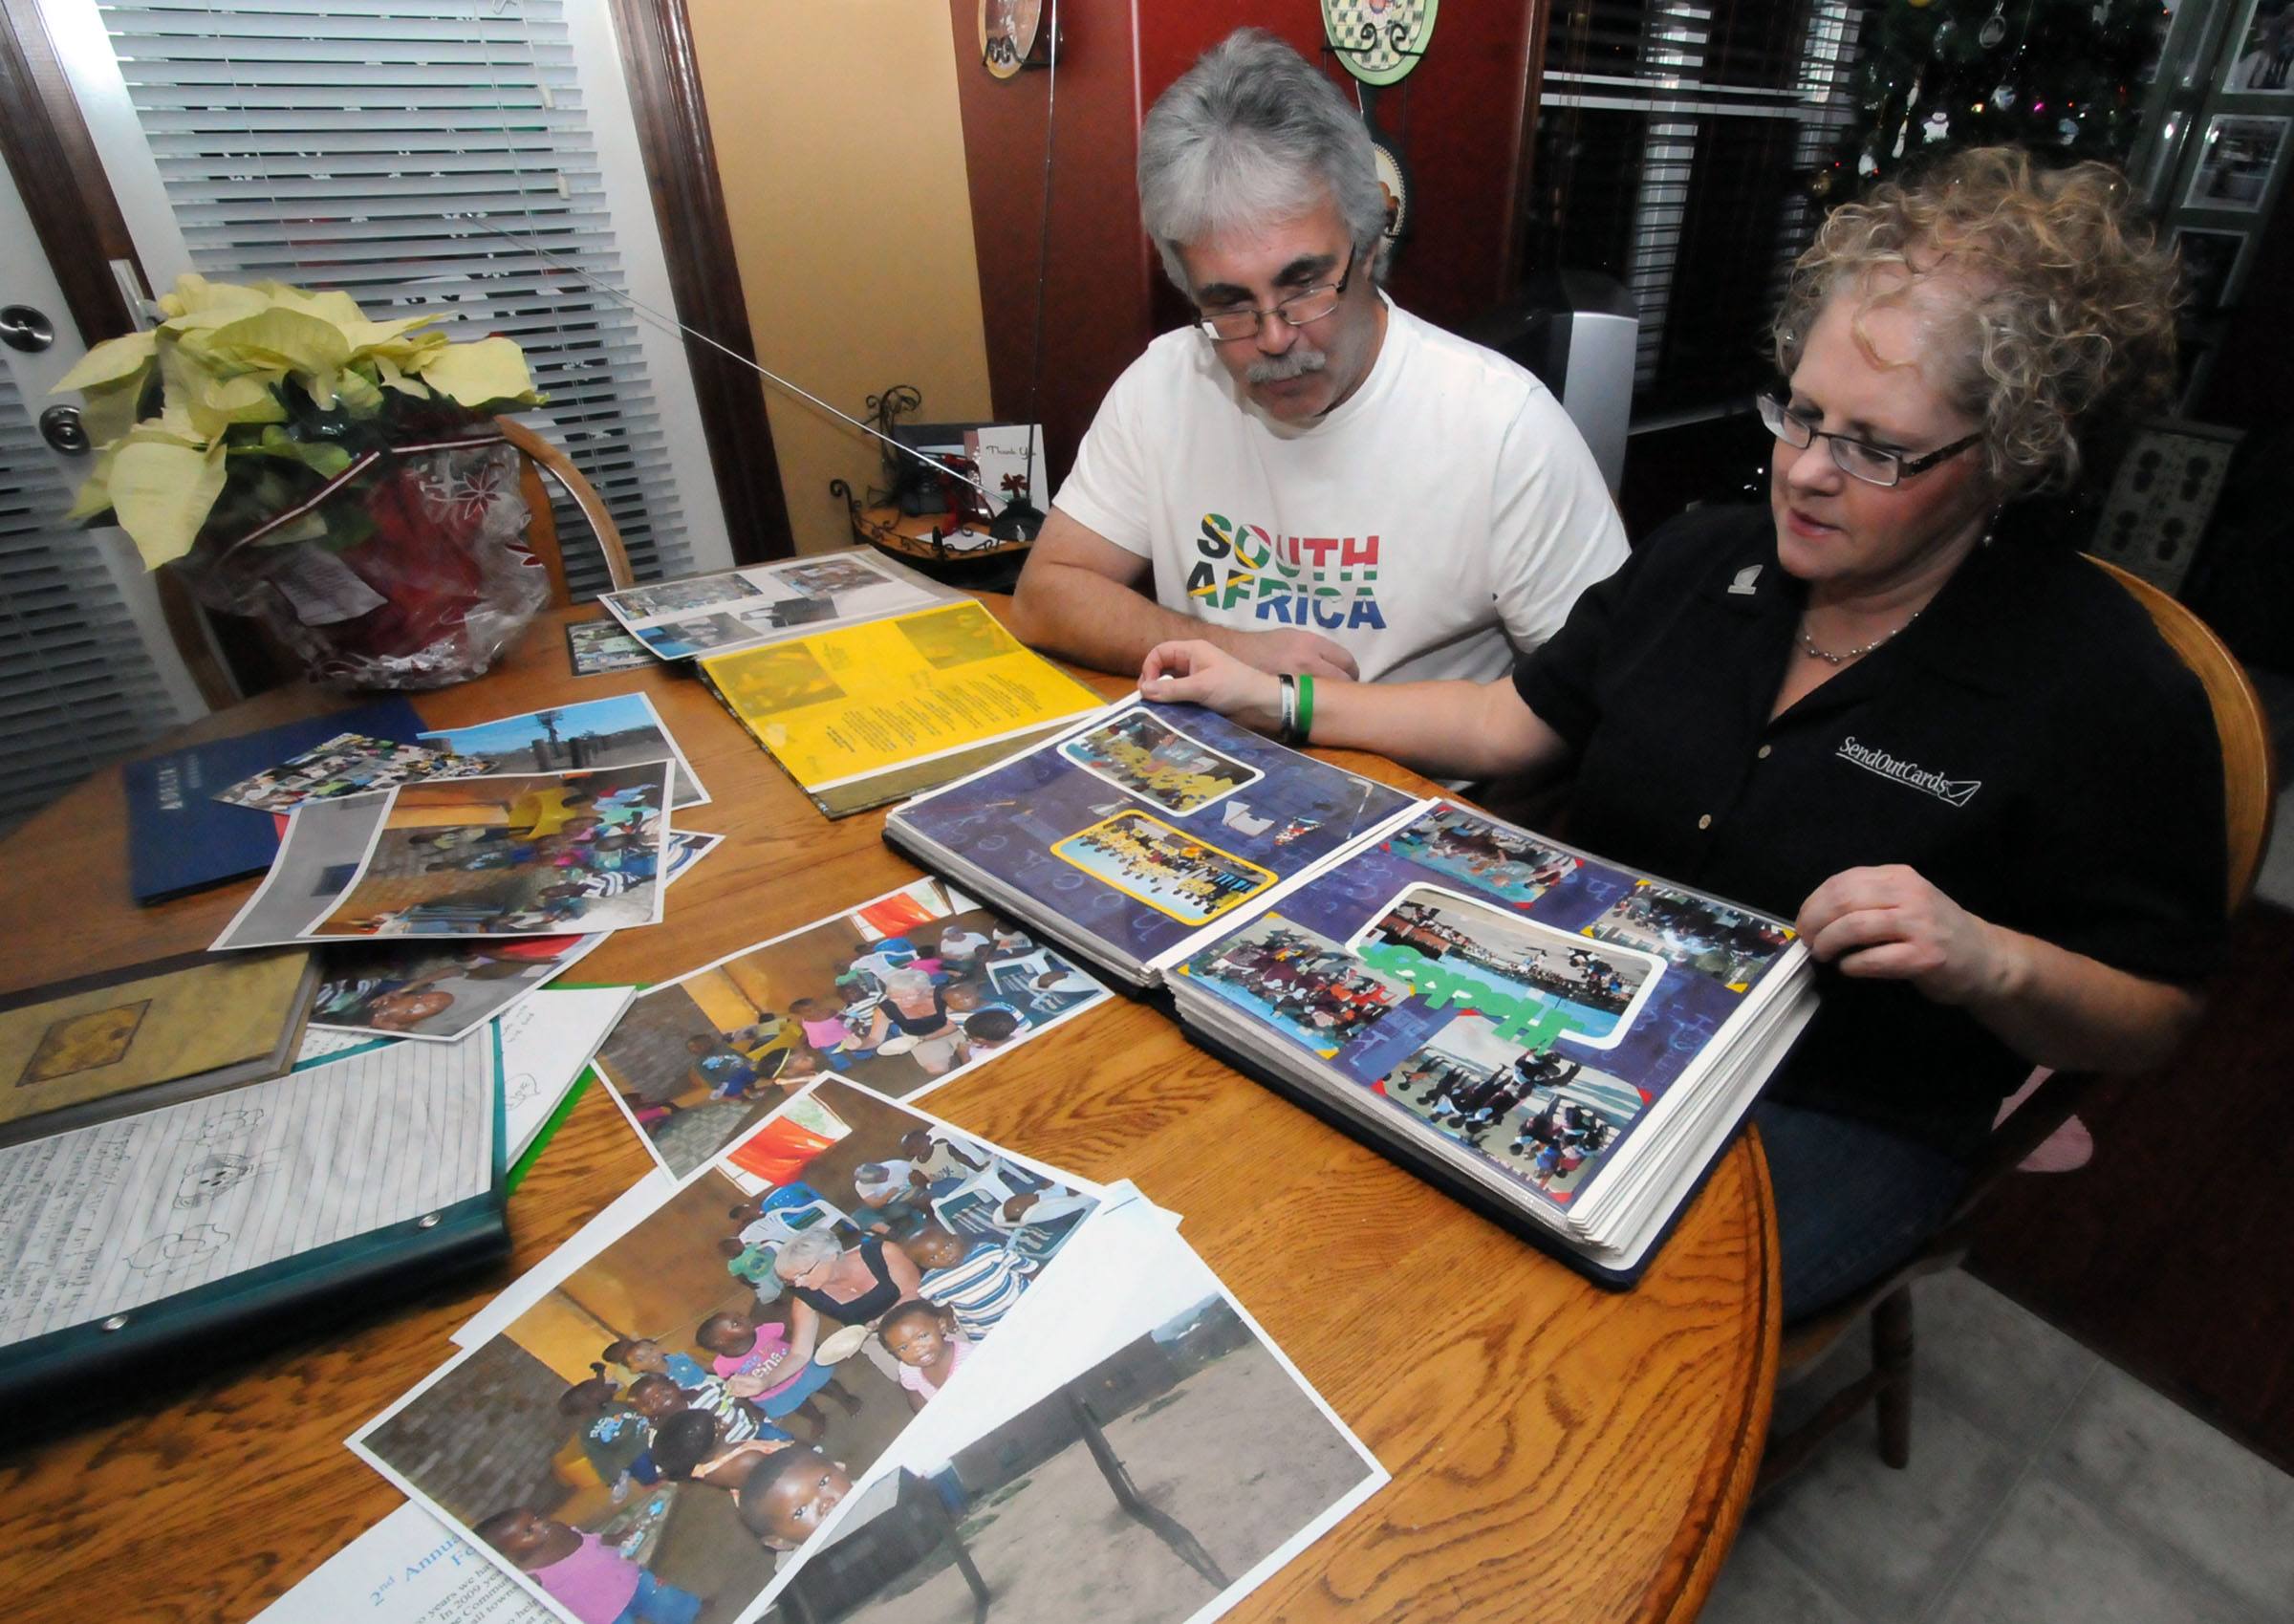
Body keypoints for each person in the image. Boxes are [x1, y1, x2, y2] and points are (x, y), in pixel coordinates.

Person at [1142, 147, 2227, 1322]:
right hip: (1580, 1012)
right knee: (1311, 1150)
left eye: (1876, 447)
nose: (1805, 473)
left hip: (1835, 1106)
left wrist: (1987, 957)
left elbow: (2155, 1015)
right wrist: (1283, 702)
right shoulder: (1702, 556)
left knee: (1549, 1328)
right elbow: (1512, 716)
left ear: (2009, 454)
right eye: (1801, 415)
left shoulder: (2102, 685)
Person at [1003, 28, 1625, 688]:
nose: (1274, 338)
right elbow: (1045, 596)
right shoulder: (1164, 384)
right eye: (1231, 304)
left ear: (1368, 246)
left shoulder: (1506, 428)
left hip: (1415, 778)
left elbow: (1606, 691)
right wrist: (1232, 649)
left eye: (1303, 286)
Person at [473, 1507, 703, 1624]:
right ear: (509, 1553)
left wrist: (616, 1537)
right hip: (606, 1616)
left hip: (631, 1579)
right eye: (528, 1531)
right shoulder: (531, 1577)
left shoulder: (557, 1530)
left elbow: (592, 1540)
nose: (540, 1524)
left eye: (534, 1518)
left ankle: (697, 1614)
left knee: (673, 1604)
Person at [737, 1446, 854, 1552]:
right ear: (779, 1542)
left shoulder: (870, 1485)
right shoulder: (811, 1570)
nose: (825, 1504)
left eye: (824, 1482)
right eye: (800, 1512)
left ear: (838, 1466)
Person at [877, 1298, 972, 1411]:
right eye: (903, 1347)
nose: (917, 1349)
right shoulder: (908, 1369)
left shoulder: (971, 1360)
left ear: (941, 1326)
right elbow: (916, 1399)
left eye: (922, 1336)